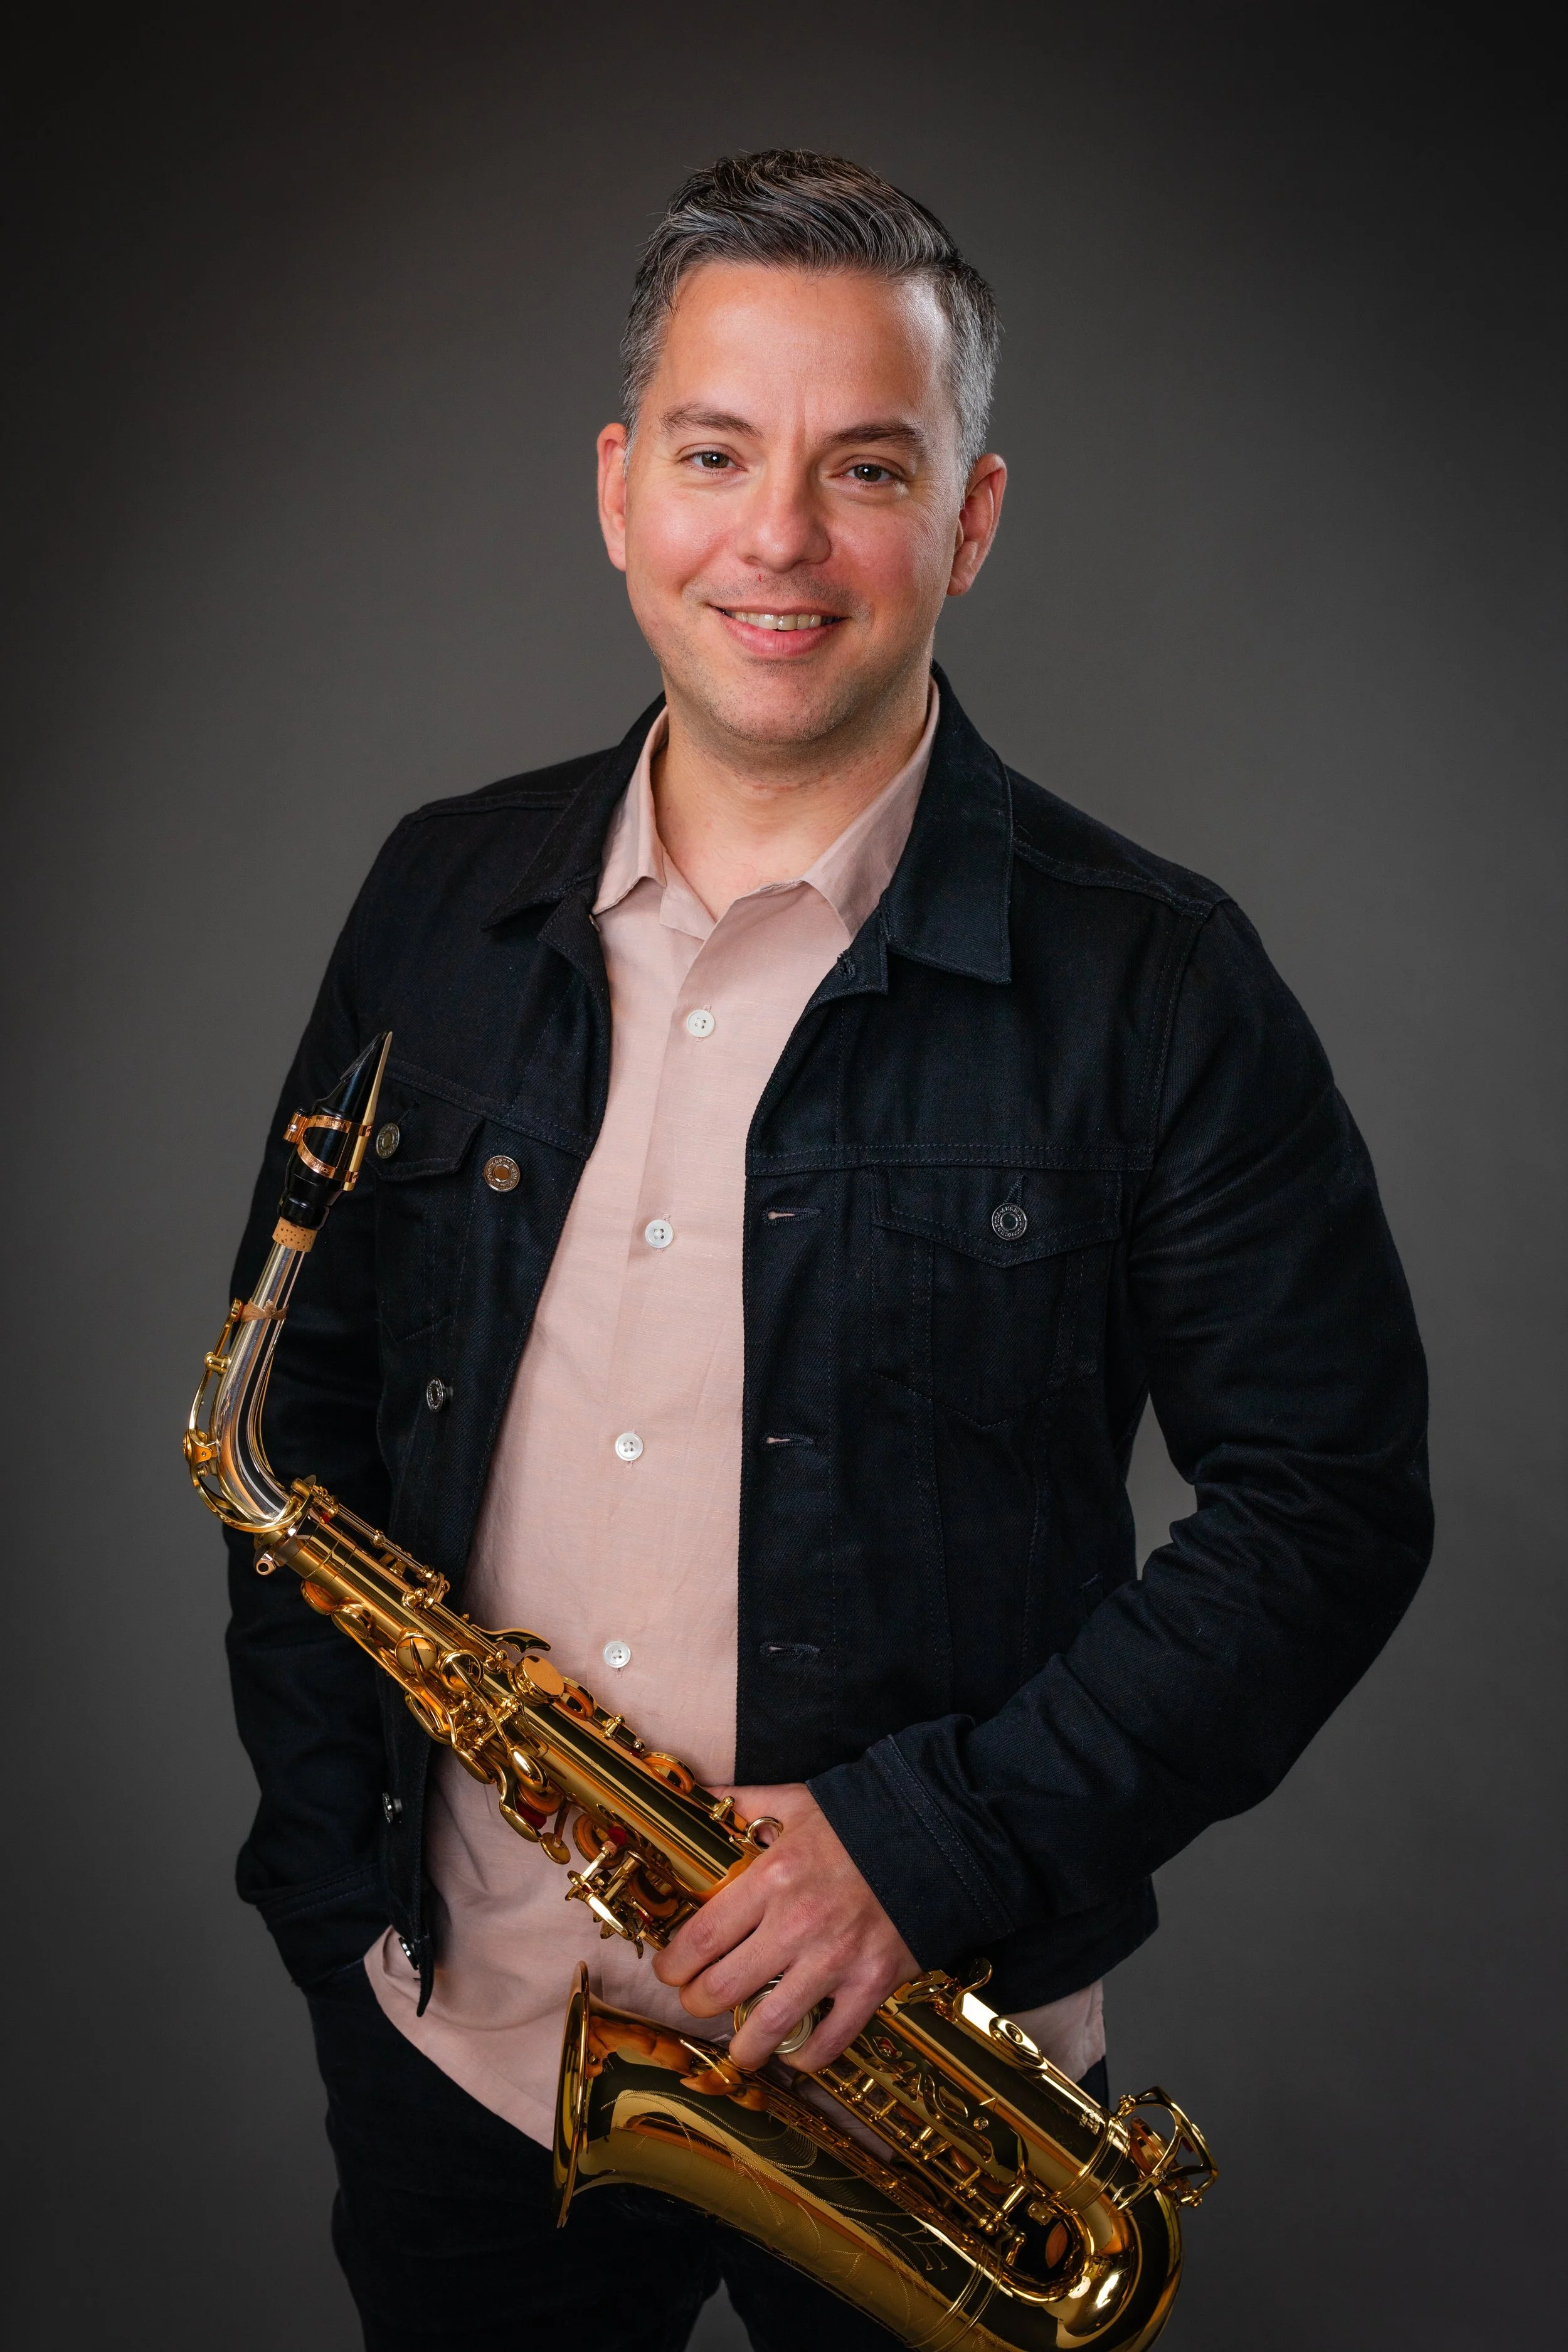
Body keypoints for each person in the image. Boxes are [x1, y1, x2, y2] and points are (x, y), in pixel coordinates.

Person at [223, 151, 1431, 2352]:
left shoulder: (1154, 977)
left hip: (926, 2082)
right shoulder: (438, 896)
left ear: (966, 522)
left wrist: (927, 1845)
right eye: (714, 455)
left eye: (862, 466)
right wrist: (338, 1890)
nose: (774, 538)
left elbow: (1328, 1503)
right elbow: (286, 1414)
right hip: (465, 2039)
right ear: (619, 489)